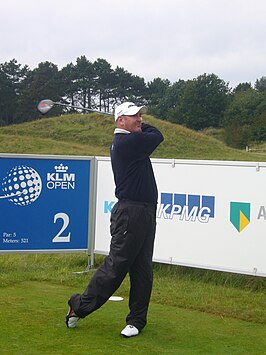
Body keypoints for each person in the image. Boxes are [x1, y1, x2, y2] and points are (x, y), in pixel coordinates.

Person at [66, 102, 164, 338]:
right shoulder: (126, 143)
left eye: (141, 115)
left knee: (142, 269)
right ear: (120, 121)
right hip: (130, 213)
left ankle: (137, 321)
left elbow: (149, 134)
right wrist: (141, 126)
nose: (140, 119)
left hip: (145, 211)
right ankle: (79, 306)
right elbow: (157, 135)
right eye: (134, 116)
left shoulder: (130, 140)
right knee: (117, 265)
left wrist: (136, 121)